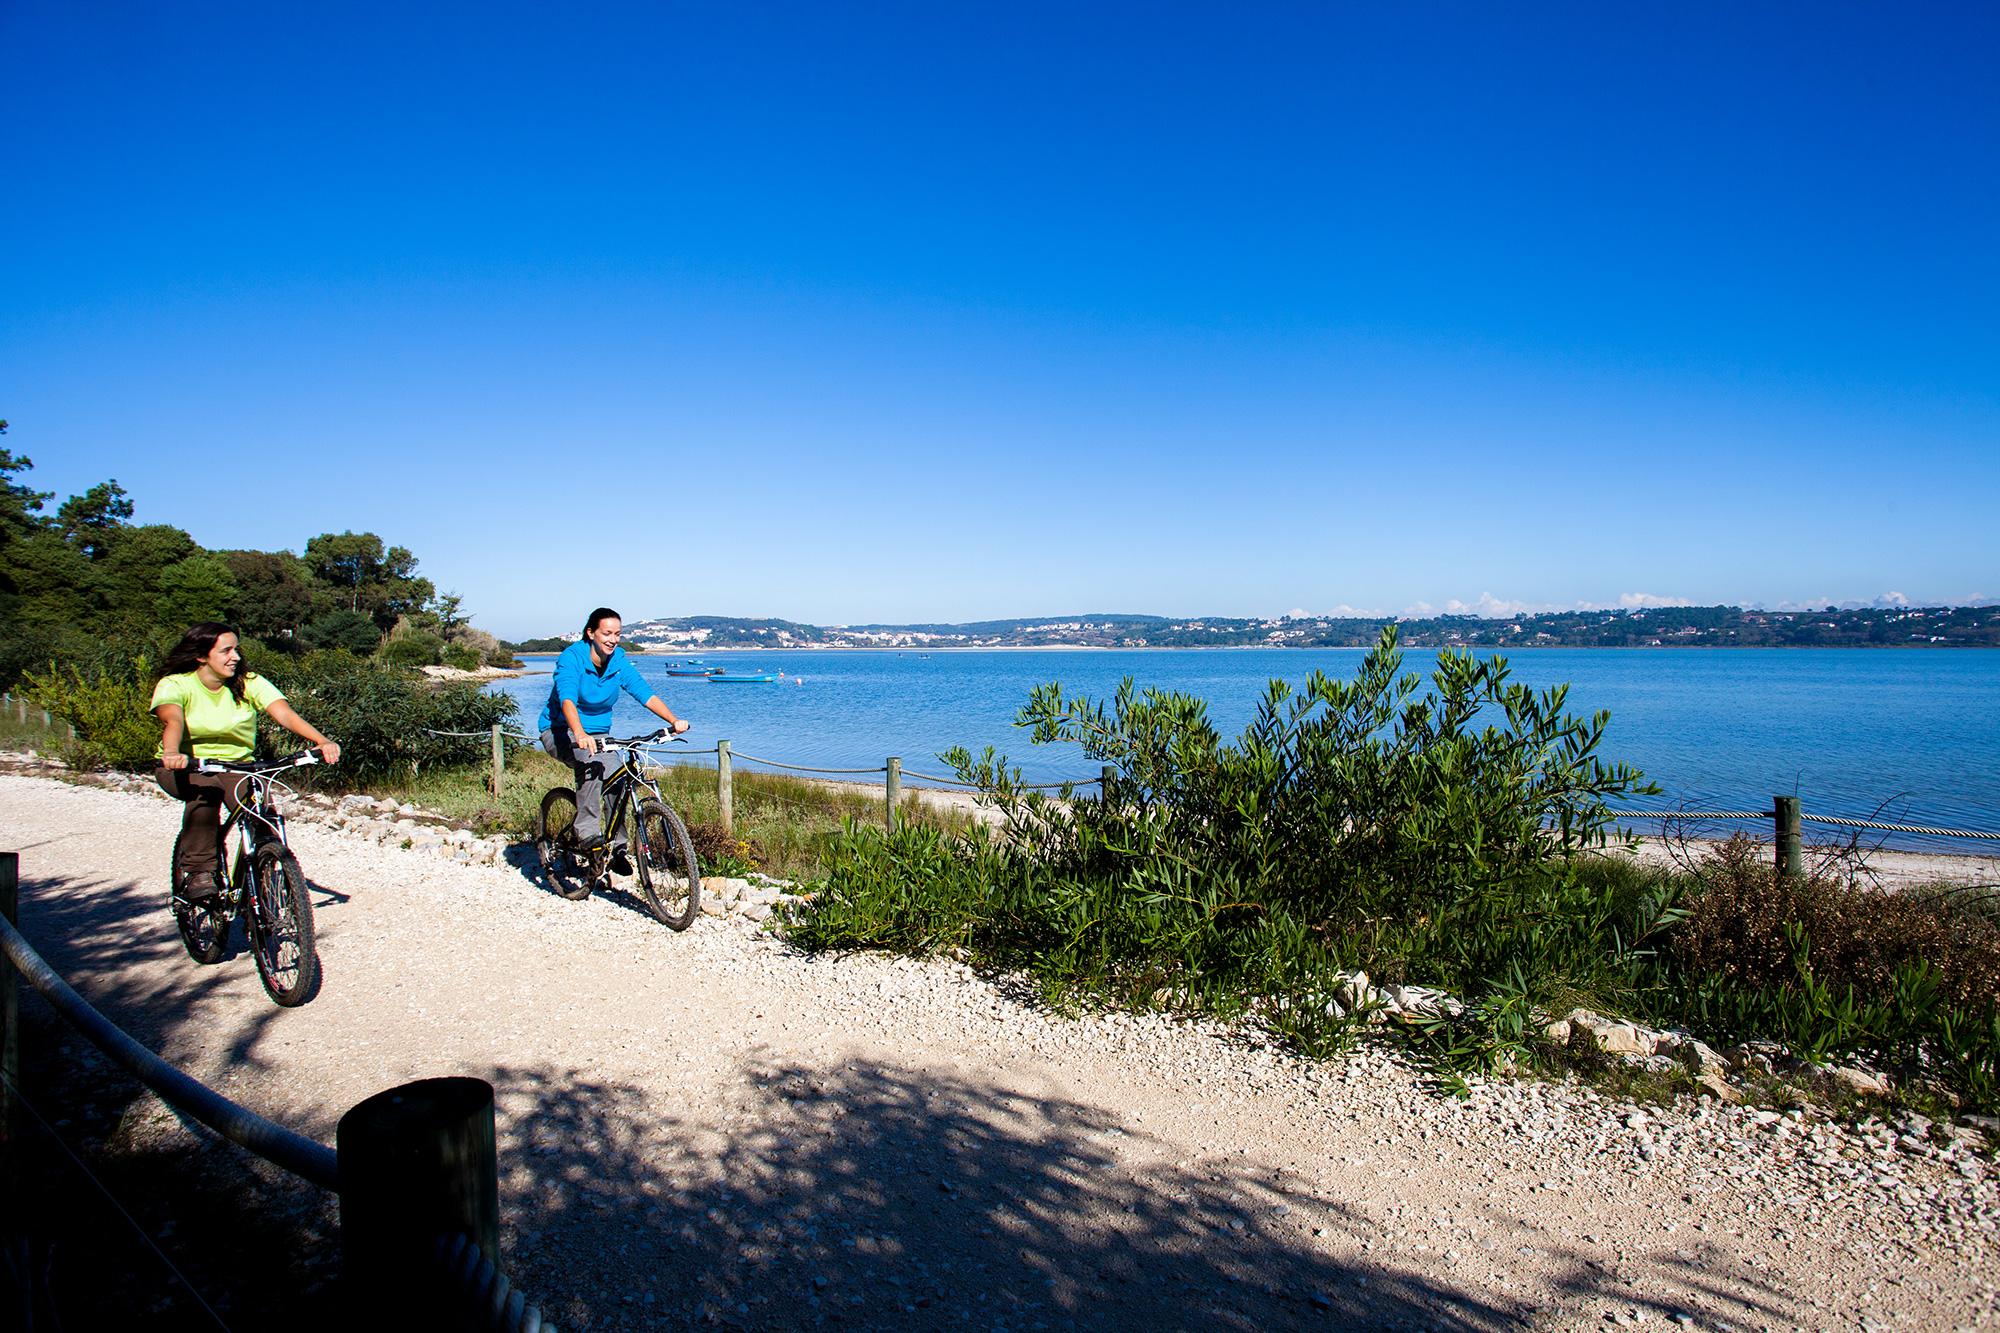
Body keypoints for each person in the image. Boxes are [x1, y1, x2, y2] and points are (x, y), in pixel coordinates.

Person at [152, 622, 341, 900]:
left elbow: (284, 714)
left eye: (236, 649)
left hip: (238, 765)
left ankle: (262, 887)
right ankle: (200, 872)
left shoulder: (248, 682)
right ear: (201, 656)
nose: (236, 656)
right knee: (205, 794)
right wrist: (172, 753)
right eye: (226, 650)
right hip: (188, 765)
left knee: (260, 810)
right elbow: (173, 719)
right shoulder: (176, 685)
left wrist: (321, 741)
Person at [538, 608, 689, 857]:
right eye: (607, 633)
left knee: (620, 776)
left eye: (617, 634)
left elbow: (644, 693)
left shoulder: (617, 660)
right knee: (591, 765)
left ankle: (617, 847)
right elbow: (567, 699)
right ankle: (586, 832)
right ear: (591, 633)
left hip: (599, 736)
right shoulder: (572, 658)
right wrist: (579, 733)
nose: (613, 639)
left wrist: (673, 720)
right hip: (560, 729)